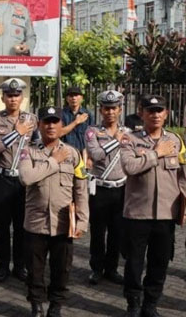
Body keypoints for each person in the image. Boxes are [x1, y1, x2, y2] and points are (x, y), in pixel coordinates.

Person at [19, 106, 89, 317]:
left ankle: (56, 306)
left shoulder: (73, 153)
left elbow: (81, 188)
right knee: (35, 270)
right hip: (36, 223)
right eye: (46, 122)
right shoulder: (28, 151)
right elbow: (26, 178)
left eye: (55, 122)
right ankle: (36, 305)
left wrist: (83, 220)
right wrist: (53, 161)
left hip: (63, 223)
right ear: (39, 125)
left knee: (62, 270)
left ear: (61, 125)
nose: (50, 126)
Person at [120, 95, 185, 317]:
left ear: (166, 114)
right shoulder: (130, 140)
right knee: (134, 262)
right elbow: (129, 167)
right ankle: (133, 303)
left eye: (159, 110)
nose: (155, 114)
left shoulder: (176, 140)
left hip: (166, 213)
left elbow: (183, 176)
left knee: (160, 262)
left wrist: (184, 206)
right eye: (151, 110)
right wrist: (157, 153)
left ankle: (150, 304)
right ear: (142, 113)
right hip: (137, 213)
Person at [0, 78, 37, 283]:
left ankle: (20, 266)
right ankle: (3, 267)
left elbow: (38, 145)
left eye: (16, 95)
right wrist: (16, 133)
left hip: (24, 180)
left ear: (22, 98)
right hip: (2, 179)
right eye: (9, 95)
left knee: (22, 226)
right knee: (3, 227)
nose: (13, 99)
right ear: (3, 98)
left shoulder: (31, 119)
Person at [84, 90, 127, 286]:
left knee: (117, 231)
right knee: (98, 232)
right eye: (106, 108)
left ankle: (112, 269)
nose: (110, 112)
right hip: (100, 189)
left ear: (119, 110)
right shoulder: (93, 132)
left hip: (121, 189)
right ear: (101, 110)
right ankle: (96, 269)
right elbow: (96, 154)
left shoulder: (129, 132)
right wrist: (116, 141)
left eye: (113, 108)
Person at [60, 87, 93, 157]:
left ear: (81, 98)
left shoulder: (87, 114)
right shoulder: (61, 114)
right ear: (67, 99)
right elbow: (59, 133)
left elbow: (91, 137)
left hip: (83, 154)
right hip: (65, 153)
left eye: (76, 95)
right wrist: (76, 122)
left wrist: (89, 157)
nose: (74, 98)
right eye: (71, 96)